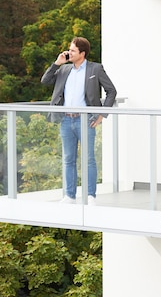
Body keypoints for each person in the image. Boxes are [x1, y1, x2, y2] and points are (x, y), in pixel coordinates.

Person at [41, 37, 117, 204]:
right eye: (70, 49)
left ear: (82, 53)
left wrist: (102, 115)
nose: (69, 52)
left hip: (85, 120)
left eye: (73, 50)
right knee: (68, 159)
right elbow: (45, 81)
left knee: (89, 159)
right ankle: (69, 196)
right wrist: (57, 63)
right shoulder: (64, 70)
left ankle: (90, 196)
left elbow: (111, 91)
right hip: (66, 120)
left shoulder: (95, 69)